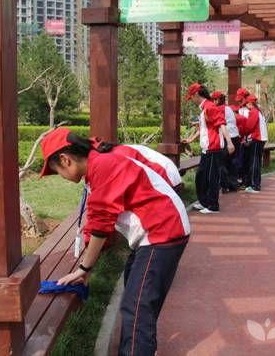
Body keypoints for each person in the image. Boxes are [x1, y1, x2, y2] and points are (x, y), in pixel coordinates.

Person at [39, 127, 190, 356]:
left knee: (138, 308)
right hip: (157, 232)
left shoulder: (102, 166)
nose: (60, 177)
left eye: (56, 171)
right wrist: (86, 268)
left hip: (162, 232)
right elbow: (98, 217)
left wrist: (84, 268)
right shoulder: (98, 162)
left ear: (65, 160)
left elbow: (101, 225)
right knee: (135, 296)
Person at [182, 83, 234, 214]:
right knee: (201, 177)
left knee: (211, 178)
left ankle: (213, 206)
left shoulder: (209, 107)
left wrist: (230, 142)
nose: (191, 101)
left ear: (196, 95)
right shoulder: (204, 108)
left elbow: (221, 124)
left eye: (191, 97)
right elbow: (204, 128)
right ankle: (205, 201)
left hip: (213, 149)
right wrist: (190, 140)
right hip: (207, 149)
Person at [211, 90, 240, 193]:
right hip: (235, 136)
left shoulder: (219, 109)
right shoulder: (229, 108)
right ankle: (234, 185)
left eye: (214, 99)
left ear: (218, 100)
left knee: (221, 163)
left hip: (227, 137)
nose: (213, 102)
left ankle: (225, 185)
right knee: (233, 162)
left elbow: (217, 123)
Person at [242, 94, 268, 193]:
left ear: (250, 103)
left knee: (254, 163)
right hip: (260, 139)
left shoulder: (253, 112)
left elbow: (249, 127)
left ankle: (255, 186)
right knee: (256, 162)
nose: (245, 106)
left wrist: (242, 134)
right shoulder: (258, 111)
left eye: (246, 104)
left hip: (258, 139)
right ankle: (256, 184)